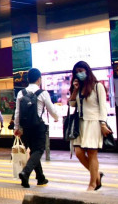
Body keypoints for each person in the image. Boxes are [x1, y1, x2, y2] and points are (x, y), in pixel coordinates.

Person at [13, 68, 59, 188]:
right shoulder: (42, 93)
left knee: (33, 151)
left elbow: (17, 113)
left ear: (28, 79)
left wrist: (16, 128)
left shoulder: (20, 93)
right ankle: (26, 172)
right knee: (38, 150)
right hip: (38, 127)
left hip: (25, 128)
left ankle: (40, 178)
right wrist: (56, 117)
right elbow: (51, 109)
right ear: (39, 79)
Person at [68, 61, 110, 191]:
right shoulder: (79, 88)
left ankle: (93, 183)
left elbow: (103, 107)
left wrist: (103, 123)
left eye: (81, 71)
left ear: (87, 70)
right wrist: (75, 89)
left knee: (92, 154)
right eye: (77, 72)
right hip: (80, 124)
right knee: (79, 152)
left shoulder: (98, 87)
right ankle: (97, 175)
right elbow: (72, 104)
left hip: (94, 123)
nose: (79, 74)